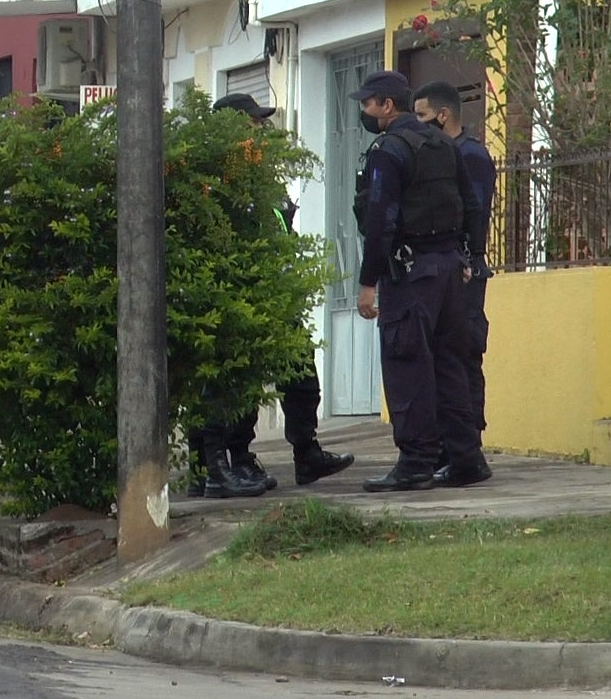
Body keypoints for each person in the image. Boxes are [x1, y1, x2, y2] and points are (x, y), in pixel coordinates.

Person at [185, 93, 356, 498]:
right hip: (233, 294)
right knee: (228, 385)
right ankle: (216, 466)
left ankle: (300, 453)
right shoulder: (215, 175)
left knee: (300, 375)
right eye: (253, 124)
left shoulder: (260, 173)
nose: (260, 132)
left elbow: (280, 224)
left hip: (274, 293)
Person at [348, 71, 491, 492]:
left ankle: (415, 462)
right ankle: (465, 457)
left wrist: (368, 282)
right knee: (450, 365)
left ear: (387, 105)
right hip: (449, 271)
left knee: (407, 363)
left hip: (411, 274)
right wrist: (470, 256)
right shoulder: (445, 144)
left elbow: (380, 219)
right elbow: (471, 205)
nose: (363, 111)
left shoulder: (390, 150)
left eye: (367, 104)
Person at [414, 81, 496, 485]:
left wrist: (465, 258)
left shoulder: (470, 155)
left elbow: (474, 214)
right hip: (446, 272)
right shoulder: (439, 154)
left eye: (422, 116)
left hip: (465, 273)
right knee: (443, 358)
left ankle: (467, 449)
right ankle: (448, 447)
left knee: (463, 357)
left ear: (442, 116)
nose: (417, 124)